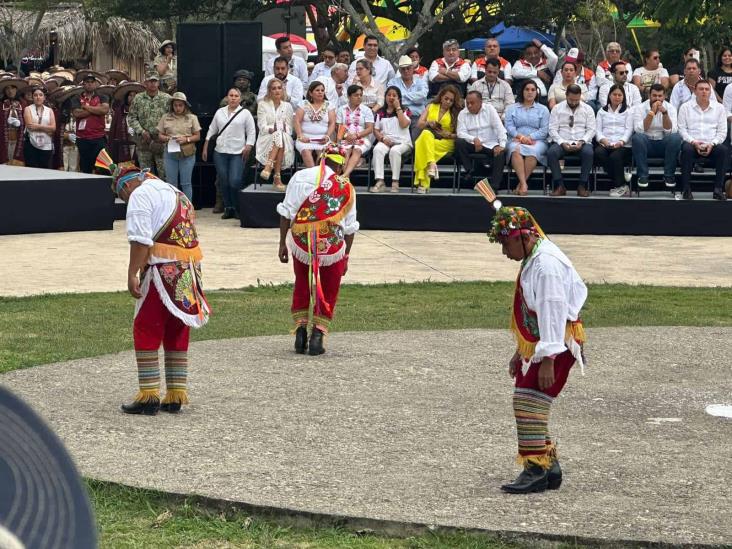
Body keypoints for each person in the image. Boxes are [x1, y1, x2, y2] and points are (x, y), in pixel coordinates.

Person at [486, 205, 587, 494]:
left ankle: (536, 469)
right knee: (531, 400)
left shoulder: (546, 266)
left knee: (528, 400)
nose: (505, 252)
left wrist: (548, 360)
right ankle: (549, 467)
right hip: (547, 342)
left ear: (522, 237)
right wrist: (522, 351)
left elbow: (553, 312)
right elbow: (536, 316)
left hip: (557, 344)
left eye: (506, 243)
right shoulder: (535, 254)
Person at [102, 155, 210, 416]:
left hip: (162, 270)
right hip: (188, 271)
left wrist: (132, 273)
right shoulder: (172, 190)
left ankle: (149, 395)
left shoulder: (139, 196)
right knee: (177, 327)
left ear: (126, 186)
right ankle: (175, 394)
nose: (125, 200)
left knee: (147, 326)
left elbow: (140, 240)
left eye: (122, 195)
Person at [277, 144, 358, 356]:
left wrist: (282, 243)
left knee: (302, 282)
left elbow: (286, 213)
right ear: (340, 167)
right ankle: (318, 335)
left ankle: (300, 332)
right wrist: (346, 255)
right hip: (331, 245)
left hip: (302, 241)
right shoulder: (345, 187)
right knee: (330, 286)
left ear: (322, 158)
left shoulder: (300, 176)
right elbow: (350, 227)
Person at [203, 88, 256, 218]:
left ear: (240, 98)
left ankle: (237, 207)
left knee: (235, 181)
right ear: (227, 97)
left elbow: (251, 132)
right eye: (231, 95)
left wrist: (249, 146)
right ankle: (228, 207)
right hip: (220, 152)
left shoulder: (245, 114)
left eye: (236, 96)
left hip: (238, 152)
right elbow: (211, 130)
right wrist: (205, 147)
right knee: (224, 181)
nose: (233, 98)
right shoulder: (219, 112)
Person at [677, 80, 728, 201]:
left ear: (710, 92)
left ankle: (718, 189)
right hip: (692, 143)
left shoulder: (719, 108)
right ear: (695, 91)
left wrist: (712, 144)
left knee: (724, 150)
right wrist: (694, 142)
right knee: (687, 149)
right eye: (701, 89)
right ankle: (686, 189)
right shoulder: (685, 107)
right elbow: (682, 130)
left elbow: (722, 132)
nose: (704, 92)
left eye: (707, 89)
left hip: (712, 144)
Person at [546, 84, 596, 196]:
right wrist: (562, 142)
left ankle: (582, 186)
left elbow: (591, 130)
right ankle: (560, 186)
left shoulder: (588, 109)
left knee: (589, 153)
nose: (574, 102)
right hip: (563, 141)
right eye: (571, 99)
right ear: (566, 95)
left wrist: (582, 141)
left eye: (577, 100)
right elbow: (552, 129)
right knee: (551, 152)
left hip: (582, 141)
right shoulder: (557, 108)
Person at [631, 83, 682, 190]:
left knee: (675, 137)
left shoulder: (670, 108)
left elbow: (671, 131)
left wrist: (665, 114)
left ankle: (669, 175)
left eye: (660, 96)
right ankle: (643, 176)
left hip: (663, 143)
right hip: (646, 143)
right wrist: (652, 112)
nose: (657, 98)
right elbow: (639, 129)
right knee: (637, 138)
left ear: (664, 96)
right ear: (649, 96)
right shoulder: (640, 108)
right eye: (654, 95)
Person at [413, 84, 461, 194]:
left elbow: (460, 134)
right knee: (425, 133)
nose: (448, 102)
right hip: (431, 137)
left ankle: (423, 184)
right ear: (441, 97)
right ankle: (431, 164)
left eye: (451, 100)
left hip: (447, 141)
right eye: (446, 98)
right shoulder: (431, 106)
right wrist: (429, 123)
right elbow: (419, 124)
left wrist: (448, 134)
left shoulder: (456, 112)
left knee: (422, 145)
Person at [505, 80, 550, 195]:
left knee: (532, 152)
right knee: (516, 150)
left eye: (533, 90)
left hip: (537, 140)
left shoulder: (543, 109)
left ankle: (521, 184)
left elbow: (545, 130)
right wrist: (521, 137)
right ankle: (524, 184)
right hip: (516, 138)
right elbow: (509, 127)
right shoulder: (512, 108)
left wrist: (529, 137)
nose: (530, 92)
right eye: (527, 89)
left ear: (536, 92)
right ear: (522, 91)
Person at [455, 90, 506, 187]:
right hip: (473, 145)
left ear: (480, 102)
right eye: (467, 103)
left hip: (489, 145)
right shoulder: (463, 113)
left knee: (500, 153)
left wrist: (502, 145)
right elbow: (460, 133)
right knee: (459, 142)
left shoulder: (489, 109)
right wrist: (474, 138)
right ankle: (470, 170)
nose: (469, 106)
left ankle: (494, 185)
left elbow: (500, 128)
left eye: (472, 103)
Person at [156, 92, 201, 201]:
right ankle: (173, 208)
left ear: (185, 105)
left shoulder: (192, 118)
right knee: (171, 183)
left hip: (187, 154)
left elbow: (198, 136)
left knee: (186, 183)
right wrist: (167, 138)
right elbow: (160, 135)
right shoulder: (165, 117)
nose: (178, 108)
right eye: (175, 105)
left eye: (180, 105)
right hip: (170, 154)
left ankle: (187, 209)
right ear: (172, 106)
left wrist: (187, 139)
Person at [128, 74, 172, 179]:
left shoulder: (167, 98)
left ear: (158, 83)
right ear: (145, 83)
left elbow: (173, 118)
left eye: (155, 81)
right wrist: (141, 131)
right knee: (146, 175)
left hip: (161, 142)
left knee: (165, 174)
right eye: (150, 81)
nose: (153, 84)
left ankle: (164, 194)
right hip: (144, 142)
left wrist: (164, 132)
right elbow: (132, 118)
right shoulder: (138, 98)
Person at [371, 85, 413, 193]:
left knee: (395, 151)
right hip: (386, 140)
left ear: (399, 98)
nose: (391, 97)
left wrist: (398, 108)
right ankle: (380, 181)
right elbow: (375, 130)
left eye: (394, 95)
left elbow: (404, 125)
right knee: (377, 149)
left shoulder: (405, 110)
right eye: (389, 95)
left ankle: (395, 181)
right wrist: (382, 138)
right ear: (385, 97)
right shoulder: (380, 112)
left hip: (403, 142)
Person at [256, 78, 295, 190]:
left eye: (279, 88)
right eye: (274, 88)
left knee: (280, 135)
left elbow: (289, 129)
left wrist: (280, 129)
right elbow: (262, 127)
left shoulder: (288, 106)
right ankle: (277, 177)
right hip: (266, 138)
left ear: (283, 90)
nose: (277, 90)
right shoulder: (262, 104)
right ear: (269, 91)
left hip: (285, 138)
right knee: (278, 134)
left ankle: (268, 167)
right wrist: (274, 128)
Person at [594, 85, 633, 197]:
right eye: (614, 94)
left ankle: (619, 184)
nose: (617, 97)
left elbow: (629, 129)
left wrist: (621, 142)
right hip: (606, 143)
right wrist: (603, 140)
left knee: (615, 157)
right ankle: (622, 185)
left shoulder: (628, 111)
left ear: (623, 97)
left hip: (623, 145)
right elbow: (597, 129)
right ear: (609, 96)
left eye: (620, 95)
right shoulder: (602, 111)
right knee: (598, 153)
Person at [70, 74, 110, 173]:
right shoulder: (76, 98)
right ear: (83, 84)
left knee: (104, 168)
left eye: (92, 82)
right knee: (85, 168)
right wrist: (97, 109)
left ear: (95, 84)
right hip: (83, 139)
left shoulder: (102, 97)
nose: (89, 84)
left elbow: (104, 110)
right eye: (87, 82)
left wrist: (86, 107)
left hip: (99, 138)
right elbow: (77, 113)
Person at [335, 84, 374, 178]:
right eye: (356, 95)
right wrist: (346, 136)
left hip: (362, 138)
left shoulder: (366, 110)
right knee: (346, 151)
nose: (359, 97)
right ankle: (347, 180)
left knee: (357, 150)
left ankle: (344, 176)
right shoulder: (341, 109)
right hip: (345, 138)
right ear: (349, 96)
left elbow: (369, 128)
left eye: (361, 95)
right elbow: (338, 127)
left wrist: (356, 135)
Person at [295, 81, 336, 168]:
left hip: (322, 139)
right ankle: (313, 176)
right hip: (305, 138)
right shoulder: (303, 104)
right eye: (317, 90)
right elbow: (297, 121)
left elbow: (332, 123)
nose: (320, 92)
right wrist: (300, 136)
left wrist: (327, 136)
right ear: (310, 93)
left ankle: (319, 177)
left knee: (323, 155)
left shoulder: (329, 105)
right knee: (305, 151)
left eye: (322, 90)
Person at [387, 55, 428, 129]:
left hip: (418, 117)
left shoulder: (421, 82)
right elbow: (392, 100)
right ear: (399, 70)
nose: (406, 71)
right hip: (399, 116)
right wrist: (415, 100)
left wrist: (401, 98)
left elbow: (423, 97)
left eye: (408, 68)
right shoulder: (392, 82)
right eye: (403, 69)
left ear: (413, 68)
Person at [109, 81, 143, 163]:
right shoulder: (119, 111)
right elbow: (113, 128)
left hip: (139, 145)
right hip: (123, 145)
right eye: (130, 95)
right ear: (126, 97)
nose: (132, 98)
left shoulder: (142, 110)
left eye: (135, 95)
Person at [22, 87, 55, 168]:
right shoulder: (28, 109)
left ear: (44, 97)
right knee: (31, 169)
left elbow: (53, 128)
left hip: (46, 144)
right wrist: (47, 128)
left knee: (45, 170)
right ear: (32, 97)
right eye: (35, 95)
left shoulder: (49, 110)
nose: (38, 97)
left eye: (40, 95)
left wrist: (37, 126)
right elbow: (30, 126)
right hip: (31, 144)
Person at [0, 78, 27, 165]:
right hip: (4, 139)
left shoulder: (23, 104)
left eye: (12, 88)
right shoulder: (1, 105)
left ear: (16, 89)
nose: (10, 91)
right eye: (7, 89)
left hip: (18, 138)